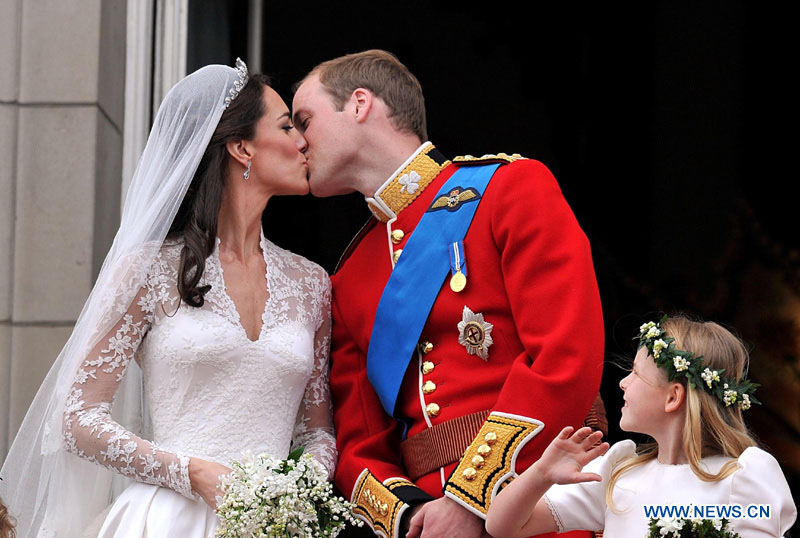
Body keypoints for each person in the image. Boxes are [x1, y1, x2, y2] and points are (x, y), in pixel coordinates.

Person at [0, 60, 336, 537]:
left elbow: (316, 431)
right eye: (286, 126)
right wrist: (191, 473)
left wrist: (297, 487)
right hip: (168, 521)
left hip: (277, 525)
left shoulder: (312, 284)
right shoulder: (147, 269)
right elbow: (76, 418)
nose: (303, 141)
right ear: (242, 148)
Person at [292, 49, 605, 538]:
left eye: (304, 120)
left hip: (537, 505)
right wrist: (413, 515)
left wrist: (471, 498)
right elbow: (357, 446)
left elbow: (565, 358)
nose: (298, 143)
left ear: (359, 104)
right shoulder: (349, 276)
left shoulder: (510, 190)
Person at [486, 315, 797, 537]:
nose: (622, 383)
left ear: (673, 397)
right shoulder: (617, 472)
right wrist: (541, 474)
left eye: (635, 373)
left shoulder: (742, 477)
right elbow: (503, 526)